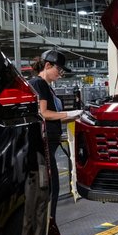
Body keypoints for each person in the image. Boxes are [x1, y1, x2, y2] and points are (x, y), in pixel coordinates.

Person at [30, 49, 82, 218]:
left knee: (52, 188)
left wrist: (77, 116)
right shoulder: (39, 83)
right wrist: (70, 113)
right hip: (44, 144)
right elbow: (43, 113)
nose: (60, 74)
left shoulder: (47, 87)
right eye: (58, 69)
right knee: (51, 189)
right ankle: (47, 225)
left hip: (50, 143)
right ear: (47, 65)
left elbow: (54, 118)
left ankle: (48, 223)